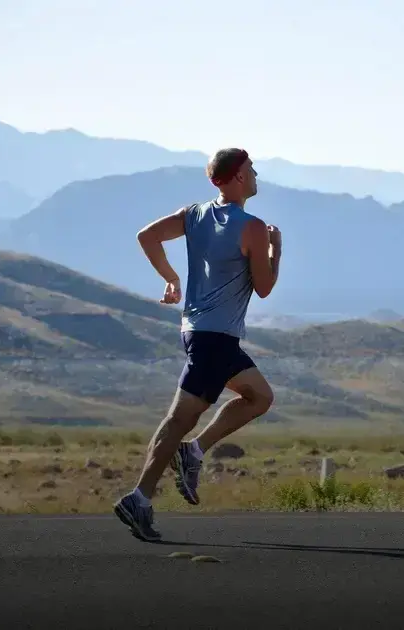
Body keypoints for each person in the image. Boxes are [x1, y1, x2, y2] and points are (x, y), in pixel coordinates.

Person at [113, 148, 282, 541]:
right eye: (252, 170)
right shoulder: (253, 228)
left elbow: (147, 235)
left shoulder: (194, 214)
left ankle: (194, 451)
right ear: (238, 177)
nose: (256, 175)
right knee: (178, 420)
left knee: (259, 396)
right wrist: (277, 251)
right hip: (216, 338)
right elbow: (264, 288)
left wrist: (171, 278)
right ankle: (139, 497)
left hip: (199, 332)